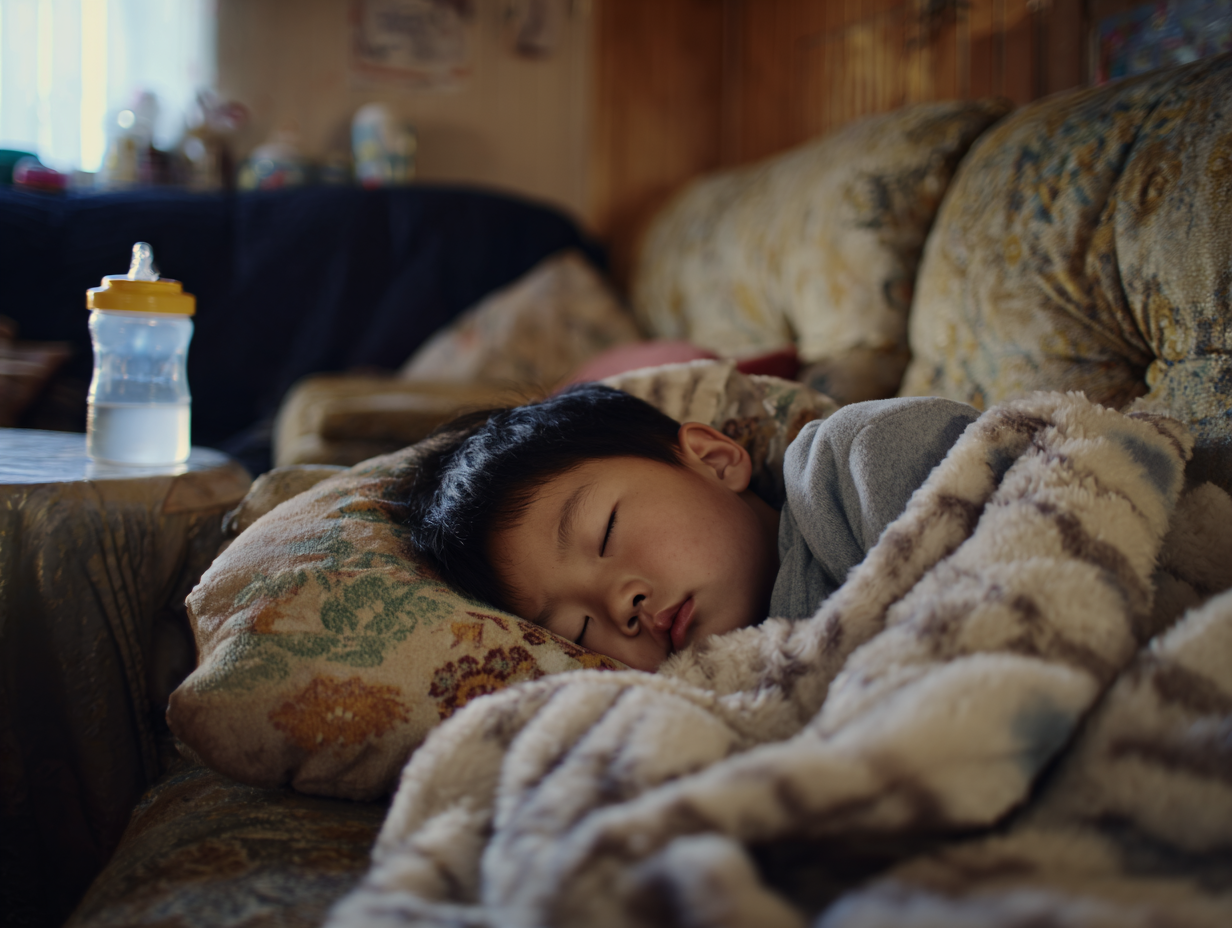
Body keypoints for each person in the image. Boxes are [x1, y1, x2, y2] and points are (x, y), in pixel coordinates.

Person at [402, 383, 978, 672]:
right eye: (578, 629)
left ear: (715, 459)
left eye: (605, 534)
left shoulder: (852, 463)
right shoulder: (712, 697)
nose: (621, 605)